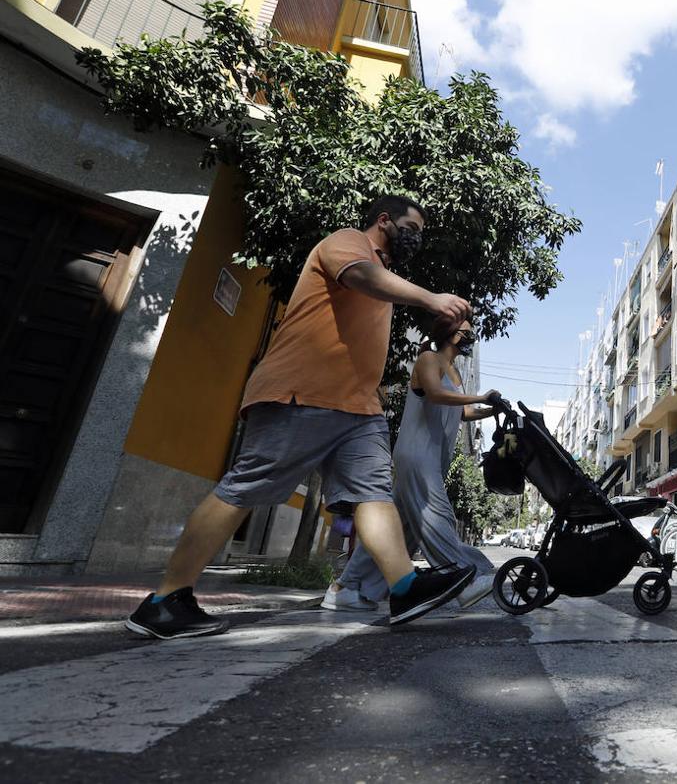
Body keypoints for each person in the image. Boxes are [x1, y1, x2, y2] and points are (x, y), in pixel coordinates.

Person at [127, 196, 475, 639]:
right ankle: (165, 601)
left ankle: (405, 588)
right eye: (411, 226)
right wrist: (430, 299)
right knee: (246, 486)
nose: (417, 237)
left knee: (373, 492)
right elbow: (360, 278)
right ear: (384, 221)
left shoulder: (387, 277)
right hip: (304, 393)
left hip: (358, 406)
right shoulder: (349, 244)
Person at [324, 315, 501, 611]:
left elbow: (462, 413)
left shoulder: (455, 372)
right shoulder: (428, 359)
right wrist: (481, 395)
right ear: (451, 334)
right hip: (417, 455)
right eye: (467, 333)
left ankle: (347, 588)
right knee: (437, 514)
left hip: (433, 457)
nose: (471, 339)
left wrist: (489, 409)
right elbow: (435, 393)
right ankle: (463, 580)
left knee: (392, 533)